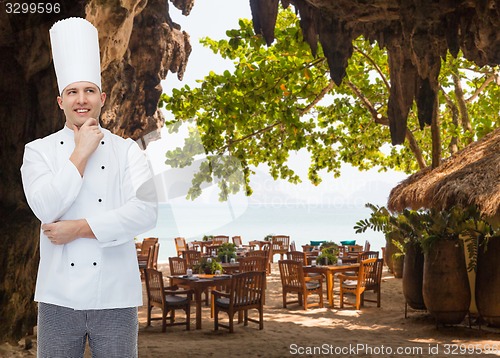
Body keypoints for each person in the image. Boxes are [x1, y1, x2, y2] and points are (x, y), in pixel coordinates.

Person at [20, 17, 157, 358]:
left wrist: (80, 229)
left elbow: (145, 211)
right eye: (73, 92)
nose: (81, 99)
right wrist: (80, 152)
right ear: (60, 101)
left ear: (102, 97)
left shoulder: (127, 150)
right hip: (57, 297)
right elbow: (45, 208)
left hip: (115, 296)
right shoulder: (38, 151)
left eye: (89, 91)